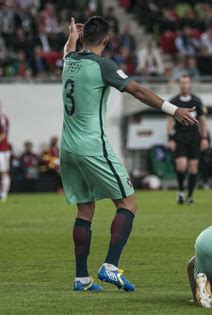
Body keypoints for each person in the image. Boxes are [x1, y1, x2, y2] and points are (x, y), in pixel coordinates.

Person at [61, 16, 198, 292]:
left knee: (85, 209)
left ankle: (81, 279)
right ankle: (110, 266)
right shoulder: (103, 66)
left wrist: (71, 38)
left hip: (67, 147)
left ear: (82, 37)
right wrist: (174, 110)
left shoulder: (69, 61)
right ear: (107, 40)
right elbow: (136, 89)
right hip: (92, 146)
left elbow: (68, 50)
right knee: (128, 203)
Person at [167, 74, 209, 204]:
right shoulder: (174, 102)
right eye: (182, 83)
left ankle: (190, 196)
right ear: (179, 85)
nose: (184, 85)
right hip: (180, 136)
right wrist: (170, 138)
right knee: (181, 166)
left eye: (186, 83)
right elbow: (169, 121)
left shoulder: (196, 101)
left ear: (190, 84)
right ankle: (180, 191)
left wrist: (204, 137)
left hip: (194, 137)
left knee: (193, 168)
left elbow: (202, 120)